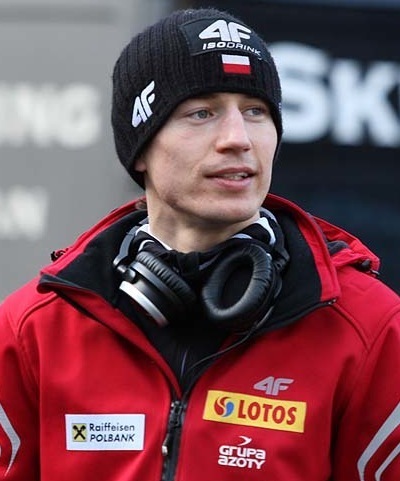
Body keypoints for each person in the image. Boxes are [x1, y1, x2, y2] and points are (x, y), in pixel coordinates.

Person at [0, 7, 399, 481]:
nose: (237, 139)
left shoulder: (370, 327)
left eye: (255, 112)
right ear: (141, 145)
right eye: (201, 113)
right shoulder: (33, 330)